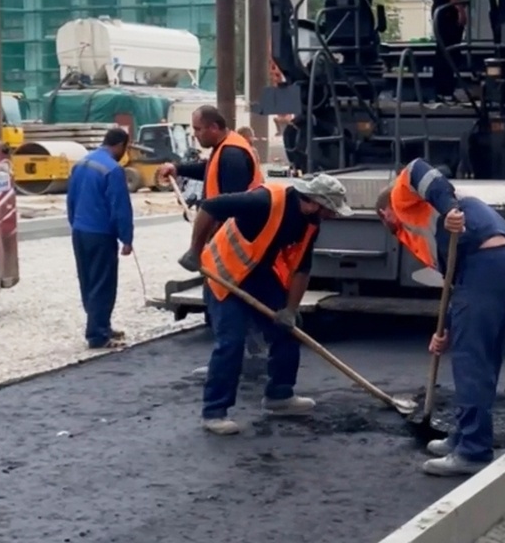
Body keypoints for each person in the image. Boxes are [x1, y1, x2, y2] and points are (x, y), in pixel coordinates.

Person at [375, 159, 505, 476]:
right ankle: (462, 436)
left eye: (382, 219)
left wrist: (449, 211)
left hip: (487, 263)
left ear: (384, 210)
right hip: (501, 264)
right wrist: (447, 331)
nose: (388, 225)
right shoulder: (426, 227)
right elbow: (456, 285)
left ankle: (473, 451)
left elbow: (418, 168)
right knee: (480, 359)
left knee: (471, 362)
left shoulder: (404, 199)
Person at [177, 174, 353, 435]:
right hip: (224, 274)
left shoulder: (311, 222)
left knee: (289, 329)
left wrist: (291, 310)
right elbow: (210, 206)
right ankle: (214, 412)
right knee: (231, 342)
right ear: (314, 202)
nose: (333, 216)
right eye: (331, 210)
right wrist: (195, 250)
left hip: (258, 275)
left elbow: (302, 268)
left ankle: (279, 397)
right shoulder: (264, 200)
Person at [66, 127, 134, 349]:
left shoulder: (81, 164)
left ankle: (100, 323)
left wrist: (74, 223)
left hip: (80, 231)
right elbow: (120, 207)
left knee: (87, 281)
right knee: (103, 283)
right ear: (121, 145)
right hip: (101, 233)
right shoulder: (113, 170)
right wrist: (126, 238)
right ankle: (98, 335)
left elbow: (71, 199)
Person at [156, 105, 262, 200]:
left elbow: (231, 204)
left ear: (214, 128)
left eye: (198, 129)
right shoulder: (225, 145)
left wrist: (206, 214)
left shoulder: (232, 155)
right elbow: (211, 170)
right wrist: (178, 169)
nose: (195, 134)